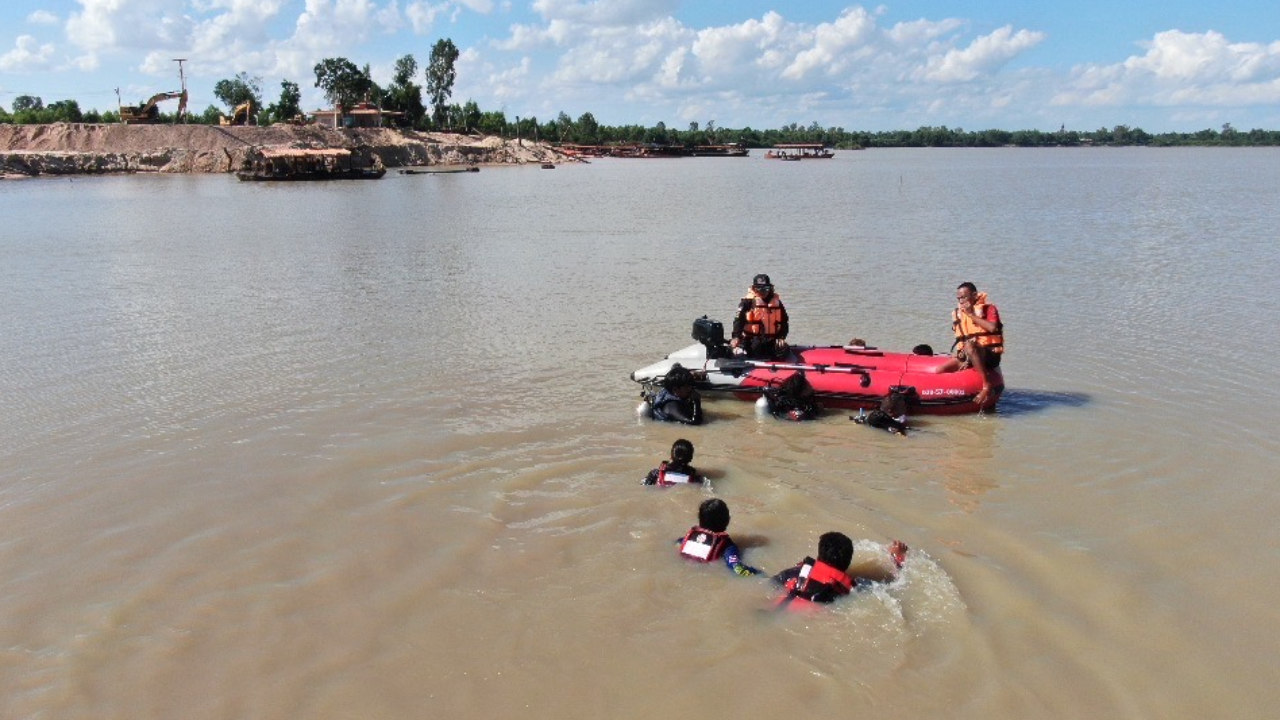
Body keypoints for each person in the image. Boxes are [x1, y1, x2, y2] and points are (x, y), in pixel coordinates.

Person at [772, 532, 908, 607]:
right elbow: (893, 584)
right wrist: (898, 557)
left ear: (819, 555)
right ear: (848, 563)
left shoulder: (794, 572)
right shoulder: (855, 587)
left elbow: (768, 583)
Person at [936, 281, 1003, 406]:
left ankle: (987, 385)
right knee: (940, 370)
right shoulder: (958, 313)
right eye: (959, 298)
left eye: (964, 297)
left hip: (989, 355)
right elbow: (963, 337)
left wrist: (971, 314)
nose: (961, 301)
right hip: (969, 355)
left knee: (970, 346)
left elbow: (993, 328)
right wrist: (963, 357)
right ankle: (956, 396)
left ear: (974, 295)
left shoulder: (988, 309)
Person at [678, 498, 761, 577]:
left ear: (700, 519)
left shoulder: (687, 538)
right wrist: (760, 574)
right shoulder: (727, 546)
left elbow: (678, 544)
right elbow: (738, 569)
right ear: (727, 520)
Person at [731, 273, 789, 359]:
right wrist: (736, 337)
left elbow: (784, 321)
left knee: (783, 350)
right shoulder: (747, 302)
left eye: (766, 288)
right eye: (758, 288)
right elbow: (738, 320)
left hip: (771, 339)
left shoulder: (777, 302)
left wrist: (781, 337)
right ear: (754, 289)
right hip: (752, 339)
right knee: (756, 348)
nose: (763, 291)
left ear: (770, 288)